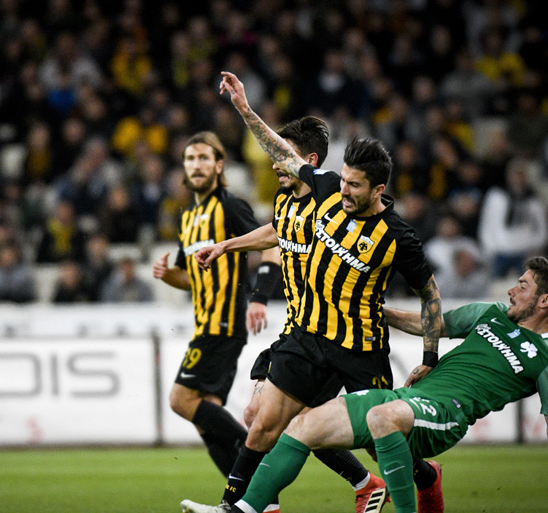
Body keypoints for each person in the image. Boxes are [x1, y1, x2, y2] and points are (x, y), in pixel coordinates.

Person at [182, 72, 443, 513]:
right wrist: (244, 108)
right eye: (343, 181)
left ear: (378, 190)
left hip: (360, 346)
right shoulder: (323, 189)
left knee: (379, 441)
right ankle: (235, 507)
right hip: (306, 335)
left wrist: (430, 358)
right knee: (264, 421)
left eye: (354, 186)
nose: (343, 191)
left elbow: (430, 295)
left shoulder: (397, 237)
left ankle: (420, 477)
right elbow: (281, 157)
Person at [182, 256, 548, 513]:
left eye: (522, 286)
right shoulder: (492, 314)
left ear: (545, 300)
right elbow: (430, 324)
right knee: (302, 424)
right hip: (411, 398)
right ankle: (242, 510)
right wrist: (374, 311)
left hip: (446, 415)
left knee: (383, 419)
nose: (511, 290)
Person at [152, 131, 281, 481]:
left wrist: (259, 298)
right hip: (205, 323)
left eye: (204, 158)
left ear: (219, 165)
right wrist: (169, 276)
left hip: (223, 325)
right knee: (206, 418)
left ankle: (258, 453)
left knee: (180, 400)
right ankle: (248, 496)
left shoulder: (230, 206)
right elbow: (190, 277)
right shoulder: (187, 219)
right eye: (190, 159)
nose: (196, 165)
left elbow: (270, 245)